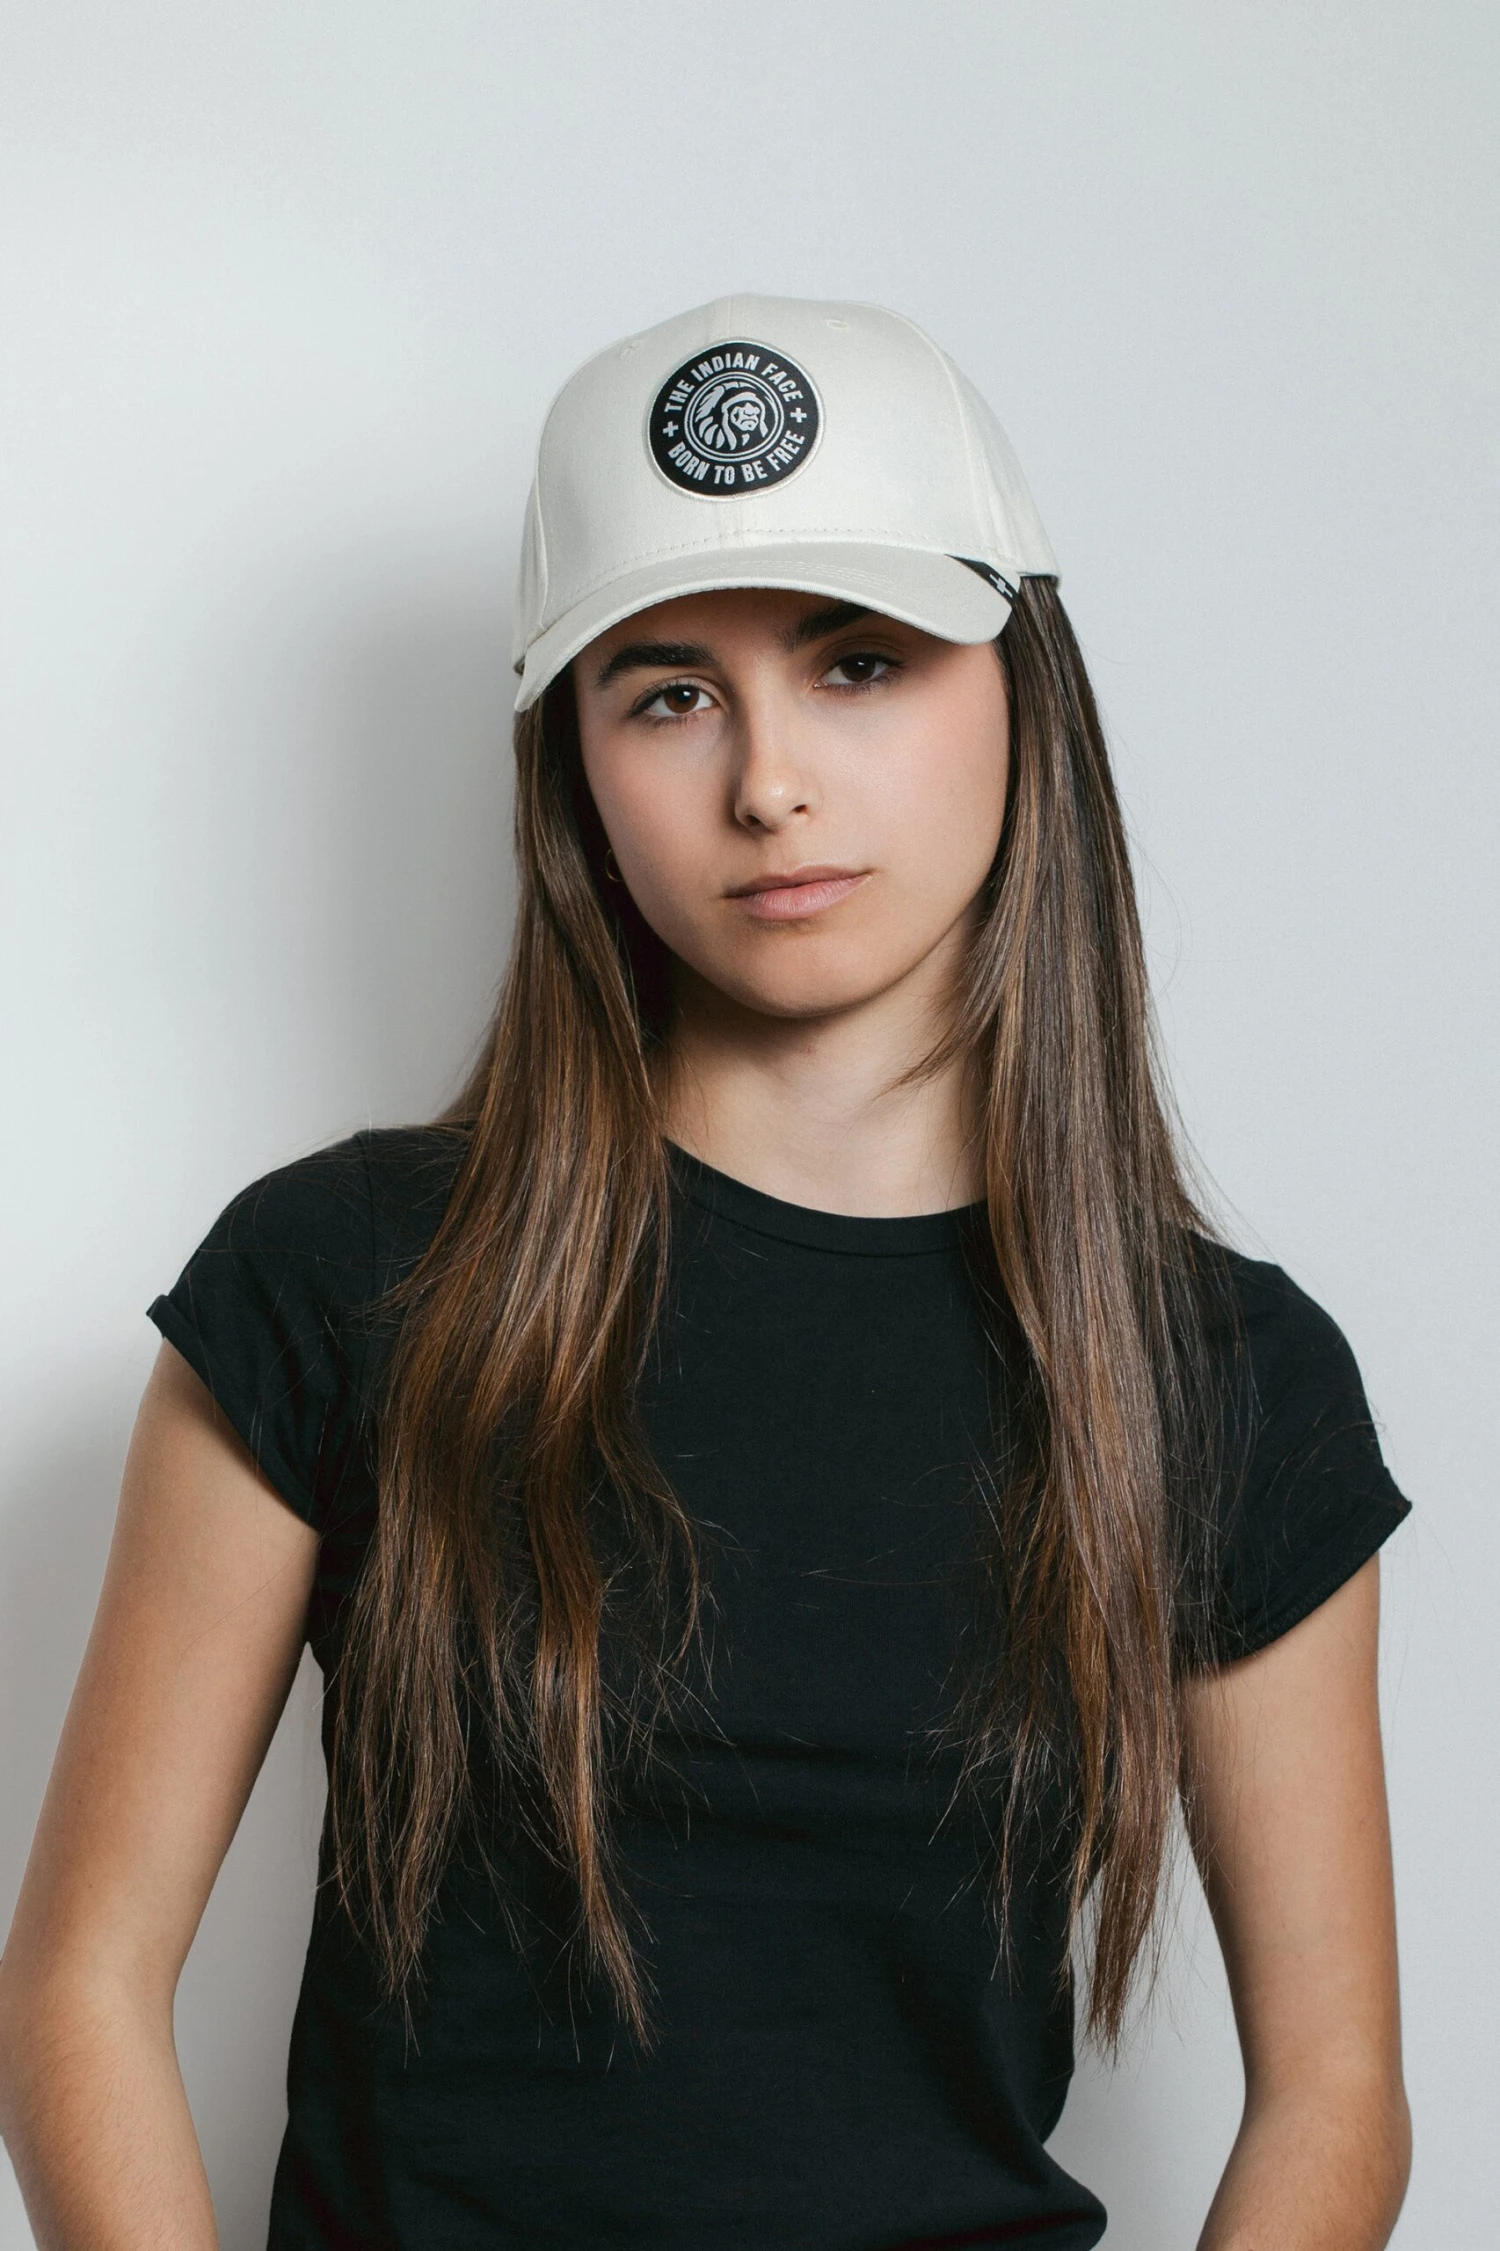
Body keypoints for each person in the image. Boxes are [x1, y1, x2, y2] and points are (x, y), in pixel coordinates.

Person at [0, 295, 1413, 2250]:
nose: (769, 782)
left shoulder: (1223, 1376)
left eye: (859, 662)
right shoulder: (341, 1284)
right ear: (570, 761)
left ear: (1023, 685)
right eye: (667, 694)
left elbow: (1336, 2094)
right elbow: (80, 1982)